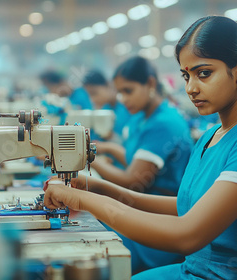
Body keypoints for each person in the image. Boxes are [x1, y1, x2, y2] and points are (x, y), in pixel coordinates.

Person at [43, 16, 237, 279]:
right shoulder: (212, 135)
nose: (191, 88)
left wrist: (84, 200)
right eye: (186, 76)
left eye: (204, 73)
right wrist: (97, 188)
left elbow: (188, 234)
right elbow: (187, 206)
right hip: (198, 269)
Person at [83, 56, 193, 273]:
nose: (122, 99)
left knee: (94, 246)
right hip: (142, 209)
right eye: (119, 92)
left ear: (150, 84)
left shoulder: (164, 123)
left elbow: (134, 180)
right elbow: (136, 160)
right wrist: (108, 148)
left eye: (128, 91)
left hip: (159, 220)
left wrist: (88, 157)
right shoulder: (140, 118)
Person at [83, 69, 131, 143]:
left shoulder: (128, 108)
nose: (92, 100)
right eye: (89, 95)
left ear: (108, 86)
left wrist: (111, 137)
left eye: (94, 93)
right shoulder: (104, 109)